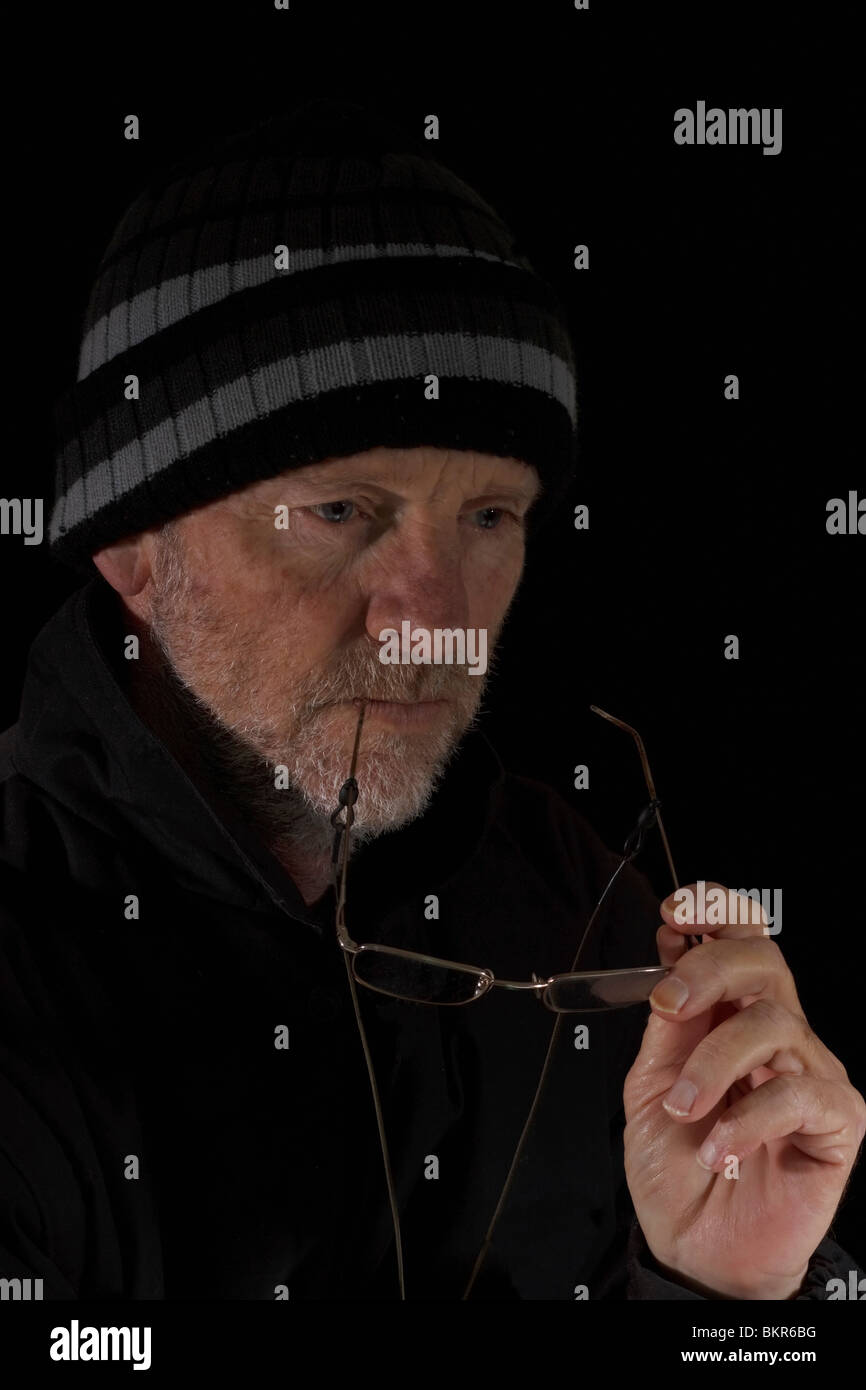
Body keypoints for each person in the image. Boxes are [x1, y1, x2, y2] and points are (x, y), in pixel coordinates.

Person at [0, 98, 862, 1302]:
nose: (435, 616)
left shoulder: (591, 929)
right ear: (132, 545)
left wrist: (729, 1292)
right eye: (341, 510)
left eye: (487, 516)